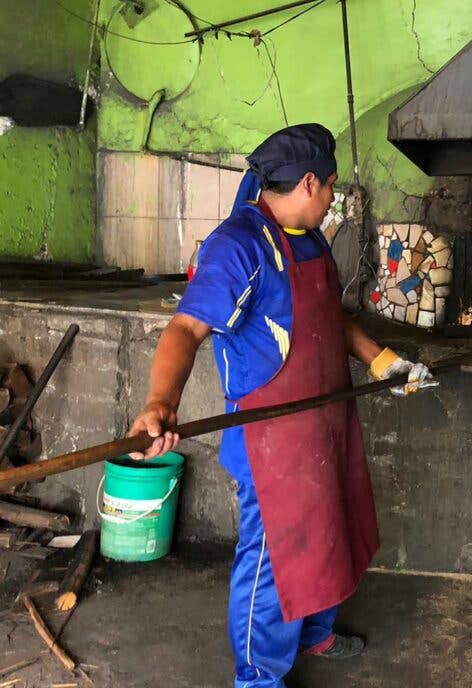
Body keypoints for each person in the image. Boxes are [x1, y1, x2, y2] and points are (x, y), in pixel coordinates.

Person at [128, 123, 435, 687]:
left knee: (326, 535)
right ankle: (258, 676)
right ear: (309, 182)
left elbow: (329, 319)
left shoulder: (310, 237)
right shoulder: (239, 245)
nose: (332, 201)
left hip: (324, 424)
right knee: (273, 558)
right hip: (271, 442)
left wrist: (382, 360)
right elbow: (185, 329)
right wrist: (158, 402)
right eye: (332, 190)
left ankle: (314, 633)